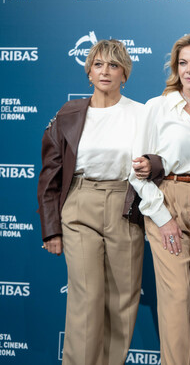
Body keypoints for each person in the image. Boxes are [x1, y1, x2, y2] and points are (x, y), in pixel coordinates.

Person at [37, 39, 153, 365]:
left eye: (113, 65)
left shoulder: (141, 114)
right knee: (86, 298)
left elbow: (160, 161)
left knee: (122, 301)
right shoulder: (69, 114)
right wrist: (51, 230)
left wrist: (152, 166)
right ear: (89, 72)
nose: (105, 71)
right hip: (80, 204)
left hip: (125, 205)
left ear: (124, 74)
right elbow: (50, 174)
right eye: (99, 64)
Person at [130, 34, 190, 365]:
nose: (189, 70)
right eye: (182, 63)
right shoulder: (157, 107)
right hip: (166, 200)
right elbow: (136, 170)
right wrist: (162, 217)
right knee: (176, 297)